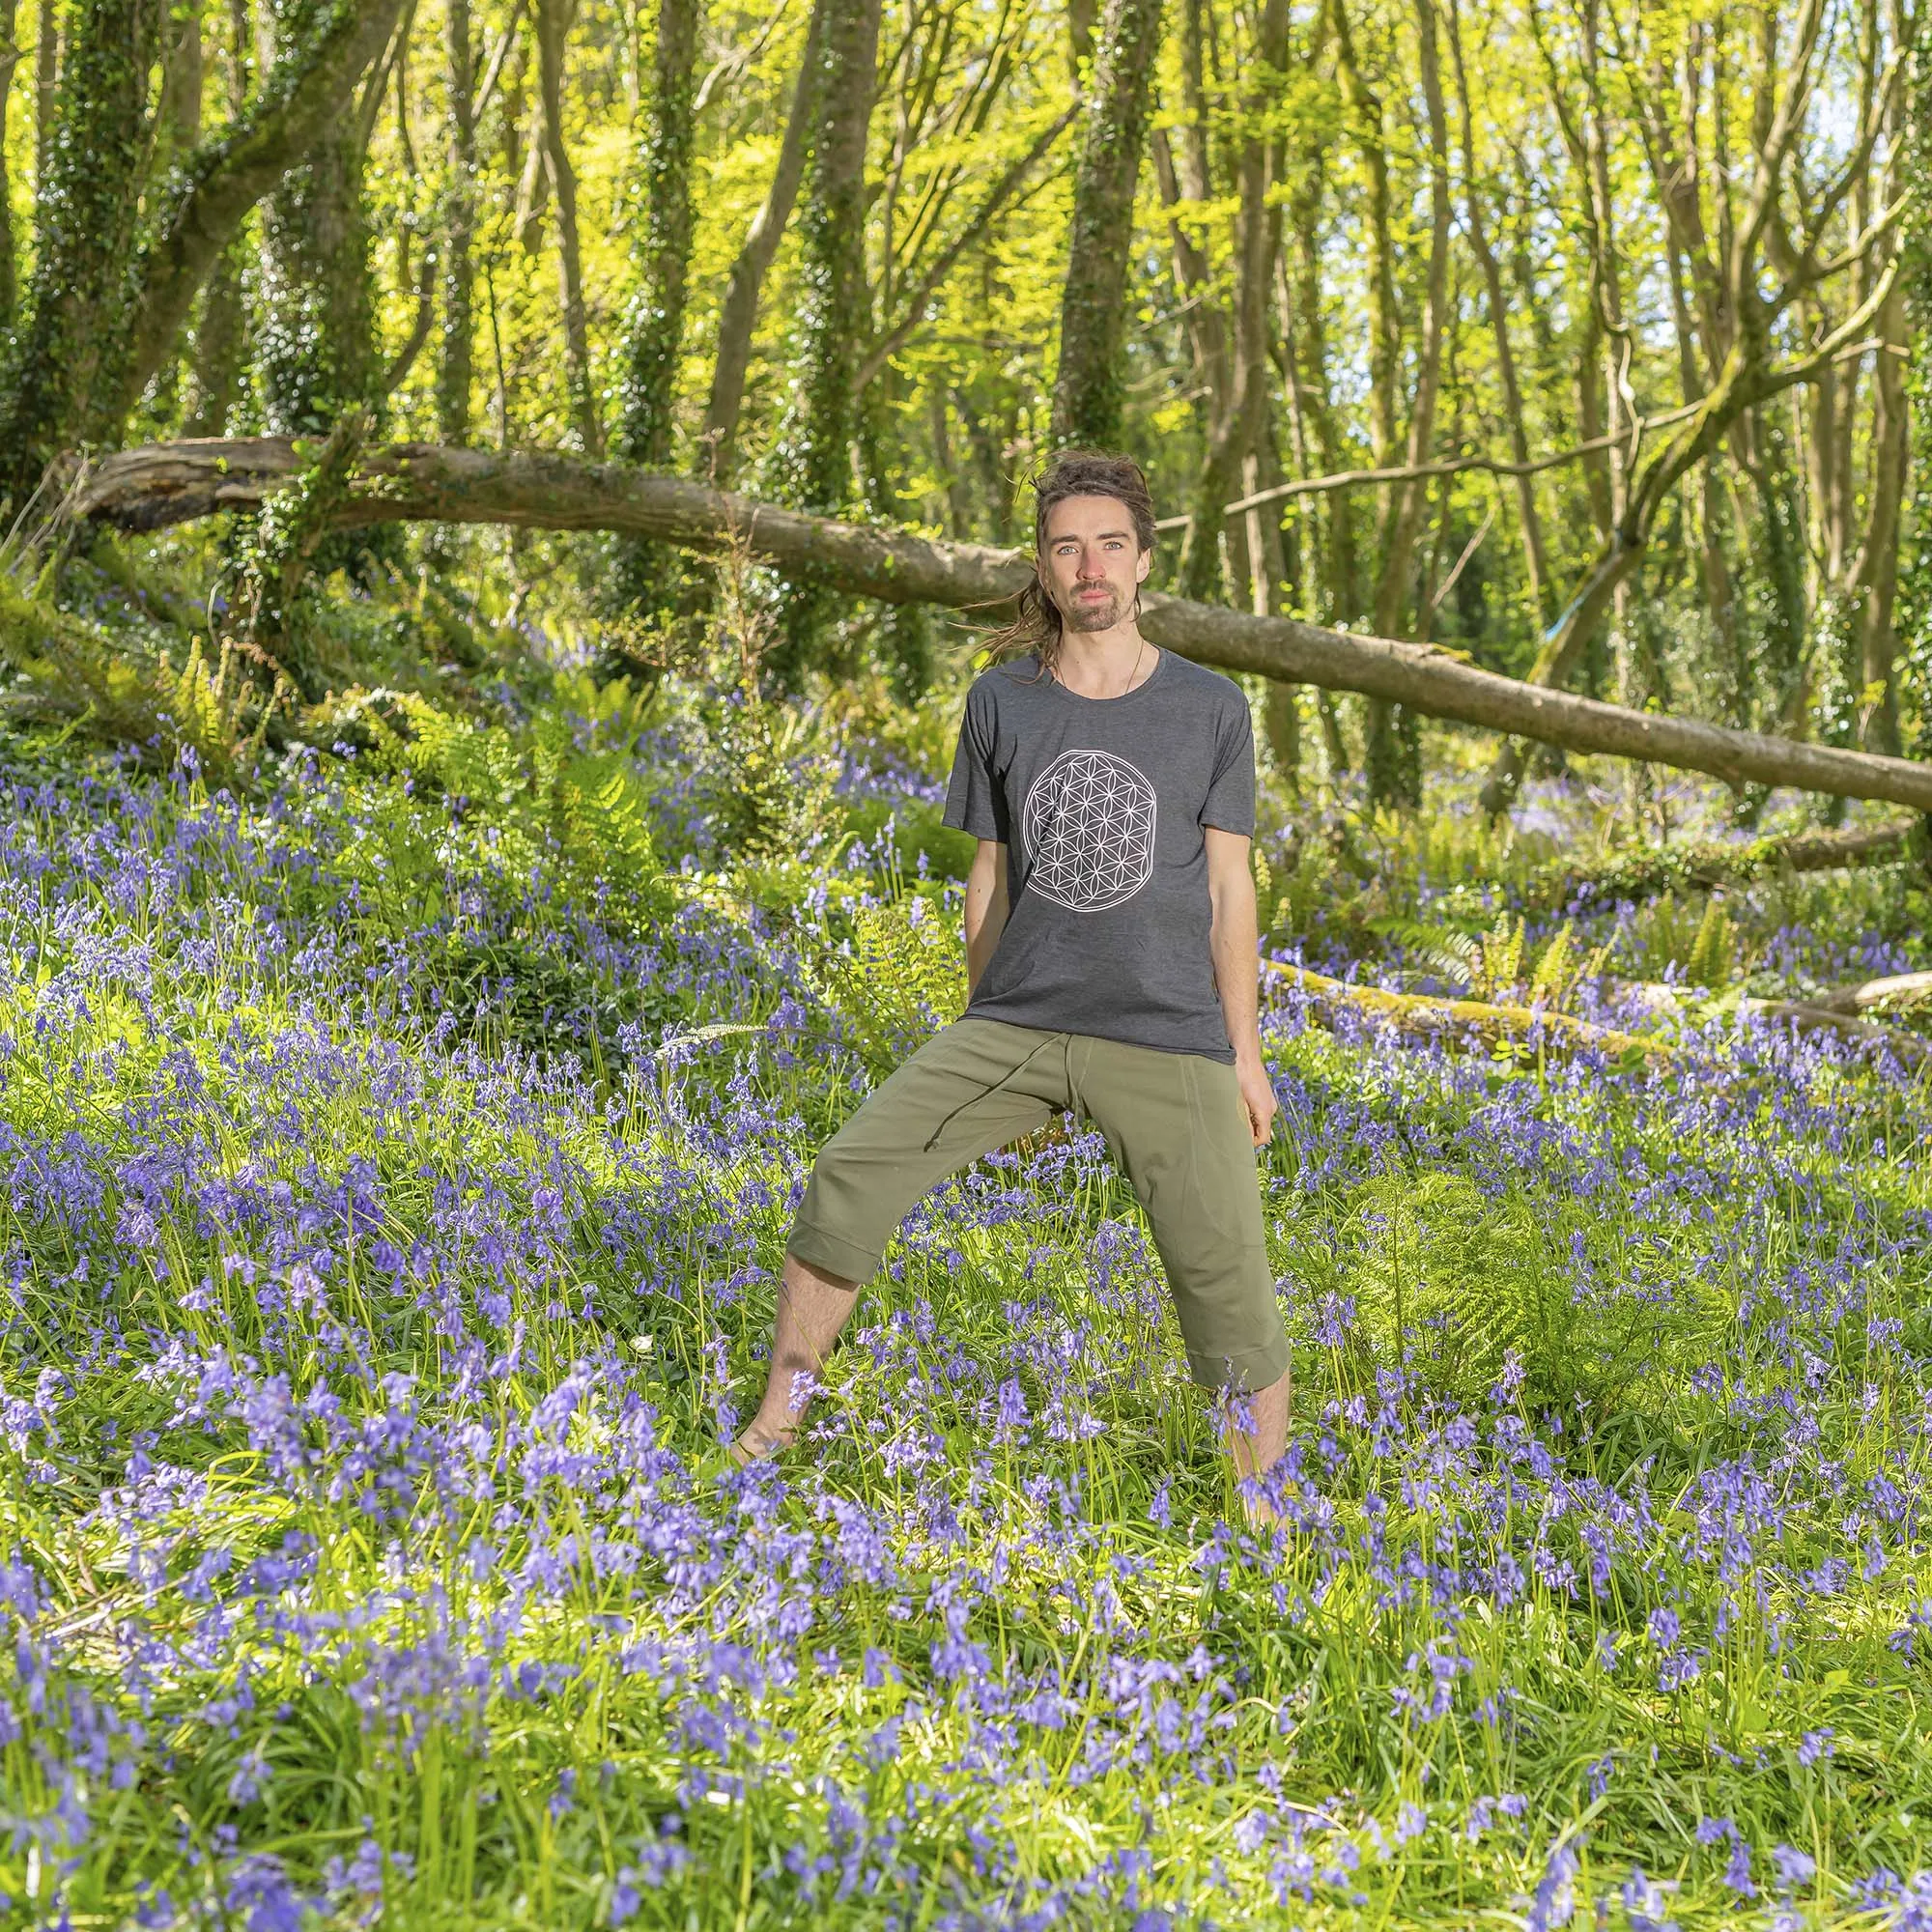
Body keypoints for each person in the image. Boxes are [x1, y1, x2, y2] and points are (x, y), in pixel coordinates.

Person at [730, 450, 1292, 1504]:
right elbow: (985, 883)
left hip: (1167, 1033)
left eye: (1109, 545)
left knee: (1227, 1287)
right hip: (1016, 1020)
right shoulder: (999, 705)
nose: (1090, 567)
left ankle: (1265, 1520)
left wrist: (1244, 1057)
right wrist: (983, 1036)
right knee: (848, 1173)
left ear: (1141, 559)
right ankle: (773, 1427)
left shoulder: (1210, 708)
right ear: (1041, 564)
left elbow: (1229, 889)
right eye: (1067, 545)